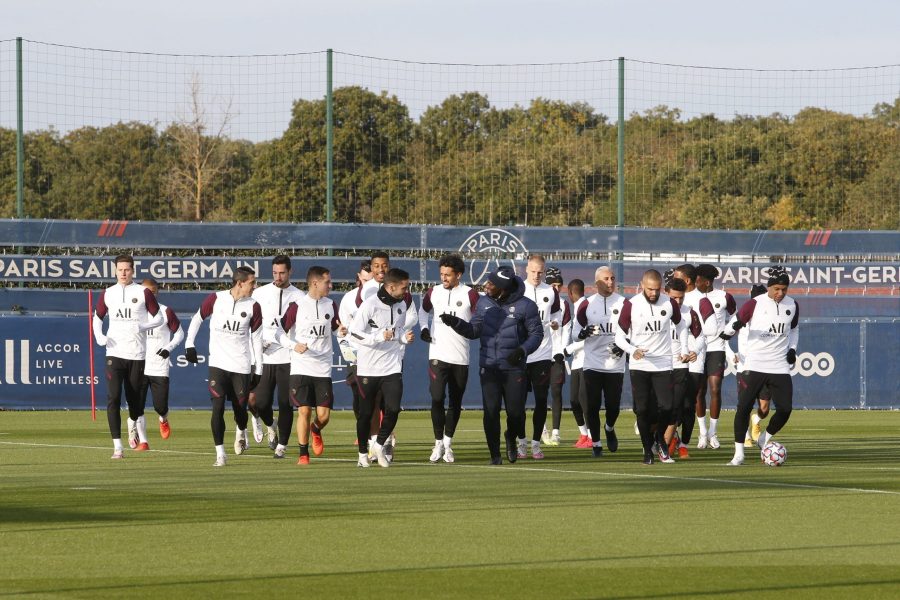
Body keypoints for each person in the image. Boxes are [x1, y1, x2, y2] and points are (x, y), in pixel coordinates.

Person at [441, 266, 543, 465]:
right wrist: (456, 323)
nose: (486, 286)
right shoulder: (484, 302)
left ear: (503, 288)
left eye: (492, 284)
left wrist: (522, 351)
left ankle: (510, 437)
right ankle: (495, 455)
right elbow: (474, 330)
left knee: (516, 413)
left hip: (514, 368)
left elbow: (537, 335)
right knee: (491, 410)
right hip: (488, 366)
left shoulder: (526, 306)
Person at [184, 266, 263, 467]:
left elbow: (256, 339)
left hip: (242, 366)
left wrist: (258, 368)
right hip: (218, 364)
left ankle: (241, 430)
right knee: (217, 408)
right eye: (252, 282)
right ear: (240, 283)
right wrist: (189, 344)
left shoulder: (254, 306)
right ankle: (220, 454)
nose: (255, 286)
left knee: (240, 411)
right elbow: (197, 319)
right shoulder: (216, 299)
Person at [721, 266, 799, 466]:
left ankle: (764, 437)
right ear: (769, 287)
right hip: (754, 364)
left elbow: (794, 330)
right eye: (777, 289)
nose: (780, 293)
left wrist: (792, 349)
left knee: (785, 409)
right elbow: (733, 324)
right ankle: (739, 454)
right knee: (743, 408)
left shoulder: (793, 305)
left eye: (784, 289)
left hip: (779, 365)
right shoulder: (754, 303)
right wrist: (731, 330)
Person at [93, 255, 164, 459]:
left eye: (127, 270)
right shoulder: (108, 293)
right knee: (113, 397)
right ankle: (118, 447)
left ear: (133, 271)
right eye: (120, 269)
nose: (123, 273)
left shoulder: (143, 292)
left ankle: (133, 422)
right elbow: (97, 318)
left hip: (137, 353)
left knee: (135, 403)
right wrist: (99, 336)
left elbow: (158, 318)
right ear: (115, 271)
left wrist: (143, 325)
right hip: (114, 353)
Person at [274, 266, 346, 464]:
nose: (330, 285)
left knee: (323, 416)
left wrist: (340, 332)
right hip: (301, 366)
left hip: (323, 367)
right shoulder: (296, 306)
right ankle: (303, 454)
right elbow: (278, 333)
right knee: (304, 410)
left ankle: (316, 429)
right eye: (327, 282)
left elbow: (335, 330)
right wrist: (293, 345)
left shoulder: (331, 305)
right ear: (315, 283)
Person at [615, 269, 687, 465]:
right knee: (644, 410)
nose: (654, 293)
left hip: (663, 363)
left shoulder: (669, 302)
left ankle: (660, 441)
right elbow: (618, 336)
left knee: (668, 407)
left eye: (657, 289)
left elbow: (681, 326)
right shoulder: (631, 305)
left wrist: (685, 348)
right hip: (640, 365)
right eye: (650, 289)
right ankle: (648, 450)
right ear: (642, 285)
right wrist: (632, 349)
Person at [349, 268, 417, 468]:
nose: (407, 290)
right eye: (404, 287)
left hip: (392, 366)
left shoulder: (402, 305)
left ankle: (379, 444)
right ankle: (362, 453)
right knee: (366, 413)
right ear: (391, 286)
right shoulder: (370, 304)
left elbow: (396, 333)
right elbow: (354, 333)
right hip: (368, 368)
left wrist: (403, 338)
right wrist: (378, 337)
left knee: (394, 409)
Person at [418, 254, 479, 463]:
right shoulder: (433, 292)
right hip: (437, 354)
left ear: (458, 275)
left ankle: (448, 443)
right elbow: (422, 310)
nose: (443, 277)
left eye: (448, 274)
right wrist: (424, 328)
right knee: (436, 398)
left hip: (461, 356)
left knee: (455, 401)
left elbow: (479, 319)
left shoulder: (470, 294)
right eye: (441, 274)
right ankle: (437, 443)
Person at [251, 255, 305, 451]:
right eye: (275, 272)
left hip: (289, 357)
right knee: (261, 402)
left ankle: (282, 444)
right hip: (265, 357)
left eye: (282, 272)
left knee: (285, 403)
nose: (278, 276)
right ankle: (270, 425)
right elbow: (252, 322)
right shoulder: (259, 293)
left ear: (290, 271)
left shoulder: (300, 297)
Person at [573, 266, 626, 457]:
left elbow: (634, 331)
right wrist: (582, 333)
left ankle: (609, 428)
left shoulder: (624, 303)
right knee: (592, 405)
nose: (610, 282)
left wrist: (624, 345)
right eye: (606, 279)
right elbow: (574, 334)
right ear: (596, 282)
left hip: (615, 364)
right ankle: (596, 443)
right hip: (592, 363)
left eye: (612, 278)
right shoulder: (585, 304)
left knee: (613, 406)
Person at [520, 255, 562, 460]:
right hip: (520, 355)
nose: (537, 275)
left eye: (540, 272)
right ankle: (520, 443)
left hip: (543, 354)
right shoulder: (518, 289)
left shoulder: (550, 291)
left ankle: (536, 444)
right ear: (526, 269)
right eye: (533, 271)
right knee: (516, 403)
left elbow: (557, 316)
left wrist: (555, 323)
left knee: (541, 400)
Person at [690, 264, 735, 450]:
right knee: (698, 391)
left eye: (698, 279)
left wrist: (728, 331)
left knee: (715, 389)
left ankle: (713, 433)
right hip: (696, 349)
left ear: (707, 282)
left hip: (717, 347)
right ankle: (702, 433)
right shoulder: (690, 297)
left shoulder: (724, 296)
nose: (695, 282)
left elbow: (737, 315)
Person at [662, 274, 708, 459]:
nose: (678, 301)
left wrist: (694, 350)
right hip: (660, 366)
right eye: (674, 297)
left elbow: (701, 337)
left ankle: (680, 445)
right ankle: (665, 440)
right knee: (659, 407)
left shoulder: (690, 313)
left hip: (683, 365)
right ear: (666, 294)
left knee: (686, 406)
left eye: (681, 297)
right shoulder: (657, 311)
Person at [139, 278, 184, 443]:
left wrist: (168, 348)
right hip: (138, 364)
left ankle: (163, 419)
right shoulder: (135, 313)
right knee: (137, 406)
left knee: (160, 406)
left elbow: (179, 333)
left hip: (159, 367)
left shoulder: (165, 312)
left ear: (156, 292)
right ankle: (141, 439)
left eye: (151, 291)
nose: (148, 294)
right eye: (145, 291)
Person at [728, 284, 772, 447]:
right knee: (744, 405)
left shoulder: (771, 317)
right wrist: (732, 353)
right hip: (745, 368)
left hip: (765, 367)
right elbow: (723, 336)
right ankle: (746, 436)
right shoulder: (741, 315)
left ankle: (757, 419)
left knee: (765, 408)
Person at [337, 259, 373, 422]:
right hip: (355, 356)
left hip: (376, 355)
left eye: (371, 280)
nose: (367, 284)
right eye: (365, 280)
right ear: (359, 277)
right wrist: (350, 357)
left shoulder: (382, 299)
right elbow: (341, 331)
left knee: (379, 397)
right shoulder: (348, 299)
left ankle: (382, 435)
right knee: (358, 397)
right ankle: (363, 433)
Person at [543, 265, 571, 447]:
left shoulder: (563, 304)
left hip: (556, 357)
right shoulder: (540, 300)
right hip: (539, 355)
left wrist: (562, 350)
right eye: (552, 285)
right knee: (539, 395)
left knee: (556, 393)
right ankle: (542, 430)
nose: (556, 288)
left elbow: (566, 328)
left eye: (558, 285)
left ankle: (555, 432)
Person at [563, 278, 591, 448]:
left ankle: (592, 437)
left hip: (587, 360)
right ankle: (583, 434)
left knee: (584, 400)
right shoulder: (578, 307)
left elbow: (590, 336)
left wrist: (570, 348)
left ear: (570, 293)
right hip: (576, 362)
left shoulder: (585, 307)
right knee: (574, 400)